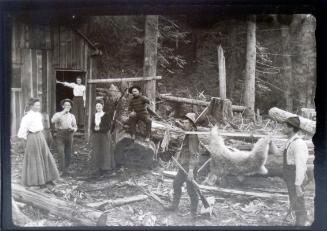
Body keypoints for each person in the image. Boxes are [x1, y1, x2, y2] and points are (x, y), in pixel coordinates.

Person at [270, 116, 309, 226]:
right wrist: (270, 142)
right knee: (294, 199)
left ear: (291, 128)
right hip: (289, 175)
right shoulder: (290, 141)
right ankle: (301, 221)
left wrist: (298, 185)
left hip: (295, 175)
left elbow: (301, 166)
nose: (283, 128)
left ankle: (301, 223)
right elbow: (277, 153)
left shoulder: (298, 144)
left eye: (285, 126)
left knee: (298, 200)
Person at [17, 98, 60, 187]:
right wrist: (26, 140)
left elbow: (40, 126)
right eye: (36, 105)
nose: (38, 107)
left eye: (39, 105)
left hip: (40, 136)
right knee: (35, 158)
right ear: (31, 106)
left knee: (45, 156)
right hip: (32, 138)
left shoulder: (39, 115)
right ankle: (37, 181)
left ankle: (47, 179)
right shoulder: (27, 117)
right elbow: (22, 131)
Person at [165, 113, 200, 219]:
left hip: (189, 167)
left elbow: (194, 154)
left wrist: (190, 170)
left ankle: (193, 213)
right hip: (183, 166)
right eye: (183, 122)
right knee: (176, 184)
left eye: (186, 122)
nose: (183, 124)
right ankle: (174, 206)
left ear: (191, 124)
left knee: (191, 190)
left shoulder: (193, 135)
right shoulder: (188, 133)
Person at [51, 99, 77, 176]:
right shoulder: (58, 114)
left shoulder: (72, 116)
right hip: (60, 134)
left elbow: (75, 126)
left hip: (69, 134)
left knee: (68, 152)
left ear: (71, 107)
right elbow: (53, 121)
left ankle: (66, 169)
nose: (67, 107)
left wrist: (74, 129)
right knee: (61, 152)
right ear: (62, 106)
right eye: (65, 105)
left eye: (69, 105)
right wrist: (63, 112)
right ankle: (61, 170)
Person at [90, 99, 115, 175]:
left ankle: (106, 168)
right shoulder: (94, 115)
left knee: (105, 150)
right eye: (97, 106)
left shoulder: (106, 115)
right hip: (96, 136)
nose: (98, 107)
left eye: (100, 106)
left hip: (105, 136)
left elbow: (108, 126)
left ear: (102, 106)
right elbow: (92, 126)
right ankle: (97, 168)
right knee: (96, 151)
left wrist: (100, 129)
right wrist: (94, 129)